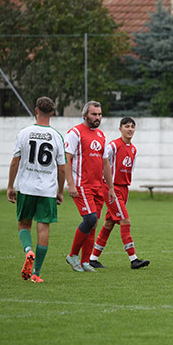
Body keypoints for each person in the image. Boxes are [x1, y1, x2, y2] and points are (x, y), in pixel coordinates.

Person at [7, 96, 66, 283]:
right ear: (53, 113)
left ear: (36, 110)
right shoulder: (57, 136)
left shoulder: (24, 133)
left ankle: (28, 250)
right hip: (47, 190)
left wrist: (10, 186)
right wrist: (60, 191)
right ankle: (36, 273)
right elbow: (62, 168)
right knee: (43, 228)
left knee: (24, 225)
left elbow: (15, 161)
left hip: (25, 187)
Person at [90, 117, 150, 270]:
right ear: (120, 129)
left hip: (124, 189)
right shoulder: (113, 146)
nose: (130, 129)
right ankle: (133, 259)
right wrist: (104, 184)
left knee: (109, 223)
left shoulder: (133, 149)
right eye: (126, 126)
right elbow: (101, 162)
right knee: (125, 221)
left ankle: (93, 258)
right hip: (112, 189)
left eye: (132, 127)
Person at [64, 101, 117, 273]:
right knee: (90, 219)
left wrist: (110, 187)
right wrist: (70, 184)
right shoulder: (75, 133)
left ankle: (86, 262)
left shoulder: (101, 136)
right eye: (94, 114)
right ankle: (73, 255)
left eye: (100, 114)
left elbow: (106, 164)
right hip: (81, 185)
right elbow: (66, 159)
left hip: (97, 186)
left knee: (93, 223)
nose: (97, 117)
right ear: (85, 115)